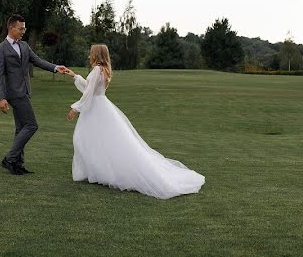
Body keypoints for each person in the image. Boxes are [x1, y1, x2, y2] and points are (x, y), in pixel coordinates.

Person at [62, 44, 204, 199]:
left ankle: (99, 172)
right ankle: (97, 172)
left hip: (96, 109)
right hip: (100, 107)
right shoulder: (102, 69)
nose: (89, 55)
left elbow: (89, 93)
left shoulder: (97, 70)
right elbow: (91, 88)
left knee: (86, 139)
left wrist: (75, 109)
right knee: (96, 141)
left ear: (96, 54)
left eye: (91, 53)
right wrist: (74, 76)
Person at [0, 14, 71, 175]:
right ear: (11, 28)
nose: (23, 31)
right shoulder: (0, 49)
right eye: (21, 28)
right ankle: (9, 158)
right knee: (31, 125)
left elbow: (38, 61)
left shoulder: (24, 46)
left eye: (24, 28)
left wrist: (56, 68)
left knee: (21, 128)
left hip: (26, 91)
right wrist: (1, 98)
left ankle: (17, 164)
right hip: (15, 94)